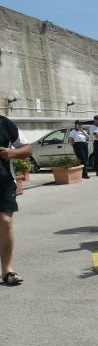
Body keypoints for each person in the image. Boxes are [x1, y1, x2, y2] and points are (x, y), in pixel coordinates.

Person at [0, 116, 32, 286]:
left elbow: (27, 149)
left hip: (3, 183)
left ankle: (7, 270)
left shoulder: (4, 123)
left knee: (5, 222)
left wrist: (12, 153)